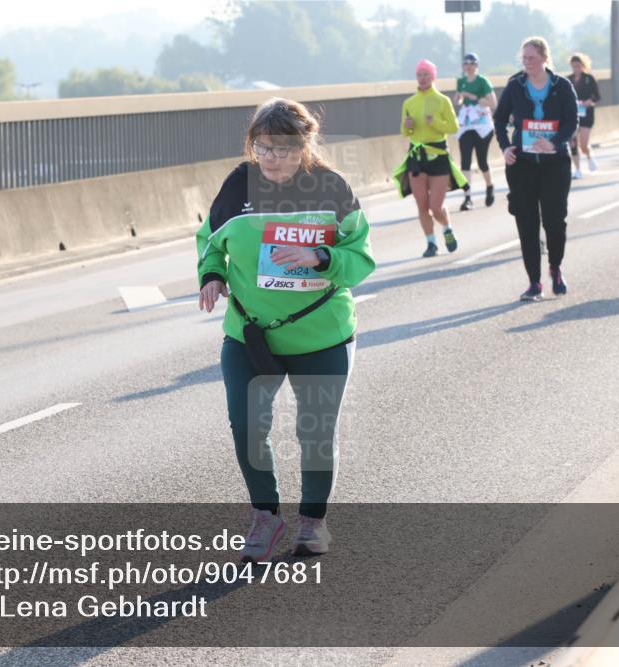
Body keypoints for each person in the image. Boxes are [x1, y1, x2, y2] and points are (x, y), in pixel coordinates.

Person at [196, 98, 375, 562]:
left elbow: (362, 259)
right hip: (251, 334)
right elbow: (210, 242)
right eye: (264, 147)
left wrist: (322, 257)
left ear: (306, 145)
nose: (273, 158)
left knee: (314, 433)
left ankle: (312, 524)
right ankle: (266, 518)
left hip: (322, 335)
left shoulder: (331, 189)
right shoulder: (239, 185)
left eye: (284, 149)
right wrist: (211, 274)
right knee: (248, 428)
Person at [494, 36, 578, 301]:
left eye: (531, 58)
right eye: (524, 58)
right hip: (523, 166)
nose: (527, 62)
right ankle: (534, 282)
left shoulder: (561, 86)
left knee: (555, 221)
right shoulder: (515, 85)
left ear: (544, 58)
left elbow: (572, 121)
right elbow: (499, 119)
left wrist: (554, 143)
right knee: (527, 224)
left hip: (555, 164)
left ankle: (555, 266)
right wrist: (506, 147)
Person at [398, 58, 465, 257]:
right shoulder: (409, 103)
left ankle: (447, 229)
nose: (423, 78)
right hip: (417, 157)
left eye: (426, 74)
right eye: (419, 75)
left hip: (438, 156)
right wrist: (408, 124)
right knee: (422, 205)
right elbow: (404, 132)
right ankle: (431, 243)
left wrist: (435, 121)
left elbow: (453, 127)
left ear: (433, 76)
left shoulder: (442, 101)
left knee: (436, 207)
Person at [455, 52, 498, 210]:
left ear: (476, 65)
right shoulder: (461, 81)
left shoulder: (482, 81)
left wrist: (473, 97)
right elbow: (458, 100)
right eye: (466, 63)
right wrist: (460, 97)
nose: (469, 66)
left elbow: (492, 103)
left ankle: (489, 186)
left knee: (482, 161)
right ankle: (467, 197)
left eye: (472, 63)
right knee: (465, 161)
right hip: (466, 124)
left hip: (482, 125)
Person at [568, 53, 601, 179]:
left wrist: (589, 101)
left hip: (586, 114)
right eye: (574, 66)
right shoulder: (568, 80)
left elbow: (597, 96)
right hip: (572, 115)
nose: (576, 68)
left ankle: (589, 155)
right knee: (573, 143)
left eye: (578, 66)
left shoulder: (589, 78)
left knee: (583, 144)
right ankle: (577, 169)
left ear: (583, 65)